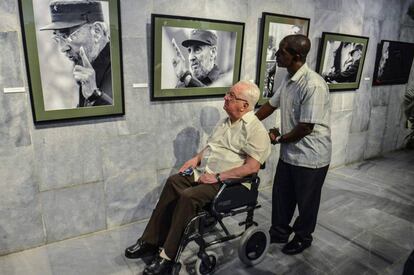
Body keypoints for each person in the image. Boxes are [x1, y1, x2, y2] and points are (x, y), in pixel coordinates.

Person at [125, 80, 271, 275]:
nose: (225, 97)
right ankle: (151, 241)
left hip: (230, 184)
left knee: (188, 196)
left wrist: (218, 176)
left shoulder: (256, 131)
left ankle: (167, 258)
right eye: (227, 93)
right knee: (174, 181)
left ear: (244, 105)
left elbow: (251, 168)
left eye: (231, 96)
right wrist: (196, 159)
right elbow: (211, 148)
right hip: (207, 173)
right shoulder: (225, 122)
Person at [255, 34, 331, 255]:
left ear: (296, 56)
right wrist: (248, 121)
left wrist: (278, 138)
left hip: (311, 156)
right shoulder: (289, 79)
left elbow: (305, 128)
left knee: (306, 202)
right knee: (282, 196)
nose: (277, 55)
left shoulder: (313, 84)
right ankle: (279, 232)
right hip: (290, 153)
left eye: (281, 51)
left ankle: (303, 237)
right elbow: (270, 105)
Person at [40, 0, 112, 107]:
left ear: (97, 31)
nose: (62, 48)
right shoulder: (88, 66)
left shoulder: (123, 64)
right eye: (58, 38)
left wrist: (94, 95)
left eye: (66, 36)